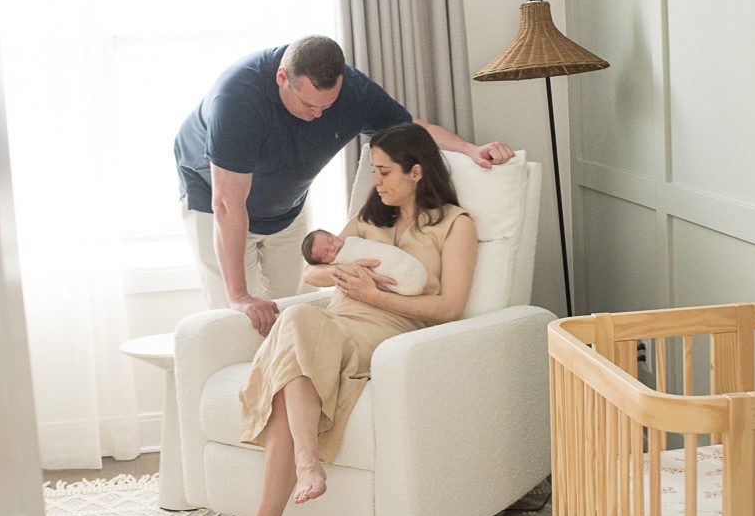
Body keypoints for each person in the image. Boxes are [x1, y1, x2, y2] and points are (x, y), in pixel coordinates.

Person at [220, 122, 478, 516]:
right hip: (331, 323)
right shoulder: (368, 218)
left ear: (417, 171)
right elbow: (311, 274)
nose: (375, 182)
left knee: (292, 334)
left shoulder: (455, 226)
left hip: (385, 333)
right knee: (296, 339)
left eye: (383, 172)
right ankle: (286, 496)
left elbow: (449, 307)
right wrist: (346, 269)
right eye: (373, 171)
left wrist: (376, 297)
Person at [174, 34, 512, 337]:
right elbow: (228, 204)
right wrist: (239, 296)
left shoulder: (354, 91)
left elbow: (413, 129)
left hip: (287, 204)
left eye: (328, 106)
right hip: (218, 203)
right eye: (309, 105)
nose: (319, 115)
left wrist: (470, 149)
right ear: (282, 78)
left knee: (289, 312)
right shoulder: (238, 99)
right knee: (241, 324)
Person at [300, 227, 427, 295]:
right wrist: (348, 270)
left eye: (331, 240)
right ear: (323, 263)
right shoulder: (362, 218)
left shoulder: (349, 241)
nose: (333, 247)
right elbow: (307, 274)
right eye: (326, 253)